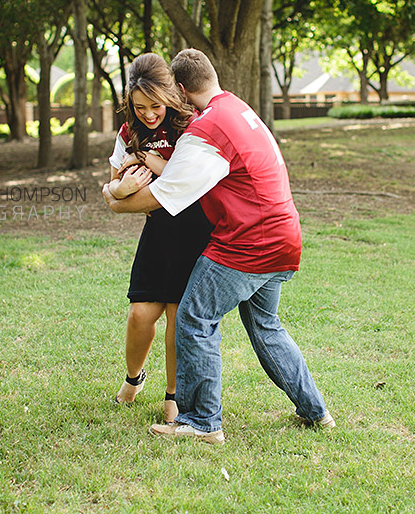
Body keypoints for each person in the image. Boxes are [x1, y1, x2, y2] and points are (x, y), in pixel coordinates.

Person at [102, 48, 334, 445]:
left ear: (178, 89)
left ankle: (202, 422)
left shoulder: (205, 131)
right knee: (266, 326)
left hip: (248, 242)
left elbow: (165, 196)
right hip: (283, 235)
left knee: (193, 317)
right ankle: (316, 412)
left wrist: (113, 199)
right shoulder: (237, 109)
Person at [106, 53, 212, 423]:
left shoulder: (191, 126)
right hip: (158, 230)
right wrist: (122, 191)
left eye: (155, 105)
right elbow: (114, 185)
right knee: (139, 314)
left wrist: (150, 164)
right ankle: (133, 379)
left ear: (170, 96)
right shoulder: (129, 132)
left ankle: (173, 396)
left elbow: (186, 183)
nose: (149, 114)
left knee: (176, 319)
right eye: (140, 107)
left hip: (195, 229)